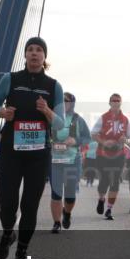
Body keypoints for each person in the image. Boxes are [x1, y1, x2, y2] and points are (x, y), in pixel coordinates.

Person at [0, 37, 64, 259]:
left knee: (30, 205)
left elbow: (61, 124)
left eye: (39, 50)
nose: (34, 53)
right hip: (12, 151)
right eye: (30, 49)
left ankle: (22, 252)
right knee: (8, 204)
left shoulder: (53, 86)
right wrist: (2, 112)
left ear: (44, 57)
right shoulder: (10, 79)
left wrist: (47, 111)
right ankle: (7, 232)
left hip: (39, 155)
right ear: (25, 55)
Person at [49, 92, 91, 232]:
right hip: (55, 161)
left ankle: (66, 213)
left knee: (70, 196)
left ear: (72, 103)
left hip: (72, 161)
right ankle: (56, 223)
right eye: (61, 100)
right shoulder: (52, 118)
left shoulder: (78, 119)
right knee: (56, 194)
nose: (64, 103)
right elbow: (43, 135)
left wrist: (75, 141)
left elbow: (87, 138)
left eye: (67, 101)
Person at [92, 94, 130, 220]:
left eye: (118, 100)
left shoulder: (125, 119)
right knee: (104, 181)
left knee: (115, 182)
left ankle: (109, 209)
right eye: (113, 100)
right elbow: (93, 134)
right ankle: (101, 199)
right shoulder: (103, 118)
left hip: (119, 154)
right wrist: (104, 142)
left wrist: (125, 139)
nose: (115, 102)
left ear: (120, 103)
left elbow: (129, 137)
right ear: (109, 103)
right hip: (103, 154)